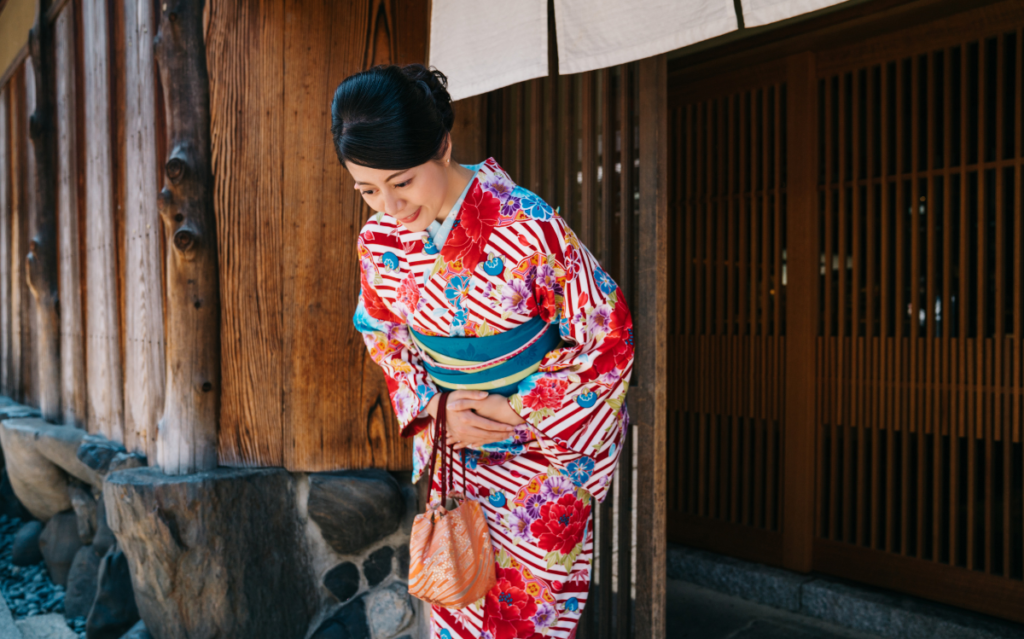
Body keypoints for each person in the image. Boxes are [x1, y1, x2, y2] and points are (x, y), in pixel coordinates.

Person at [334, 63, 634, 639]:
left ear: (443, 145)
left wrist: (521, 408)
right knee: (460, 598)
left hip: (540, 461)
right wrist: (433, 410)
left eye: (402, 182)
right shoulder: (379, 244)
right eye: (368, 191)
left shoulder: (528, 225)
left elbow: (608, 335)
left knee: (528, 619)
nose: (390, 207)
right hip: (458, 453)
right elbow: (383, 334)